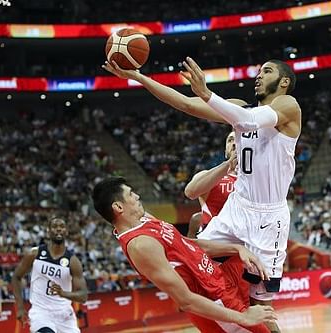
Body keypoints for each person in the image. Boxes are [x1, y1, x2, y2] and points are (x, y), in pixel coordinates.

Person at [104, 56, 301, 332]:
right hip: (237, 209)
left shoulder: (288, 106)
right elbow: (185, 104)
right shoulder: (238, 107)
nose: (258, 75)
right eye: (257, 71)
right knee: (192, 261)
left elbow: (250, 120)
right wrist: (139, 77)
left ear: (284, 81)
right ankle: (213, 319)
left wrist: (208, 94)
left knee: (260, 306)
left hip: (269, 218)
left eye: (266, 71)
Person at [92, 177, 276, 332]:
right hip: (213, 299)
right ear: (118, 206)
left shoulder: (145, 220)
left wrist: (237, 249)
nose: (137, 196)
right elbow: (186, 301)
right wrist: (243, 318)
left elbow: (188, 244)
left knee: (264, 302)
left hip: (219, 278)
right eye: (131, 194)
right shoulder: (140, 245)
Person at [12, 217, 88, 333]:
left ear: (66, 231)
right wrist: (20, 308)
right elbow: (16, 277)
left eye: (62, 227)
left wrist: (63, 293)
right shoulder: (34, 254)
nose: (58, 229)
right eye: (55, 227)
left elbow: (83, 296)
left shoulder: (73, 261)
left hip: (64, 315)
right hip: (41, 312)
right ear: (48, 231)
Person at [184, 131, 237, 238]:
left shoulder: (262, 179)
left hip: (249, 243)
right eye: (230, 140)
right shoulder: (210, 176)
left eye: (239, 139)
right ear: (226, 151)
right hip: (217, 243)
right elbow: (190, 192)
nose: (235, 143)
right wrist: (228, 165)